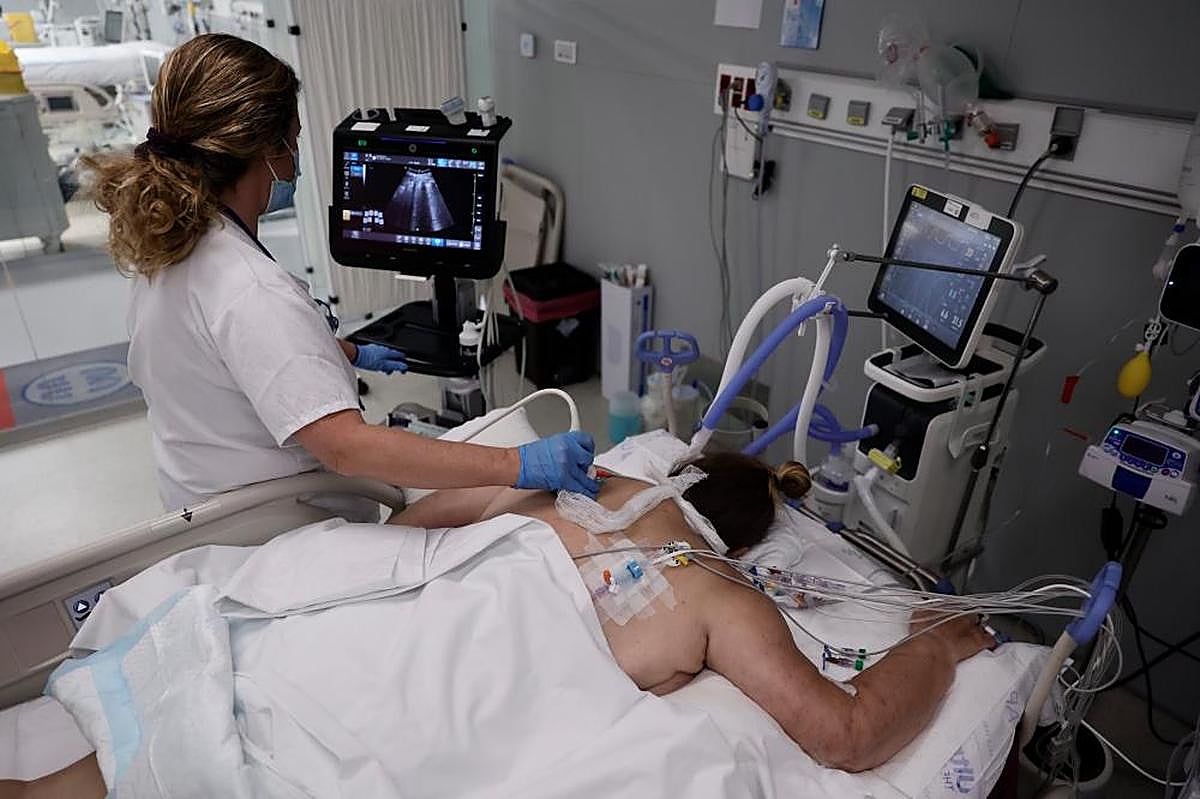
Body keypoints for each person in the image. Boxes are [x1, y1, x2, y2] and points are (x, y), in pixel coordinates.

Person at [81, 33, 596, 515]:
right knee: (508, 510)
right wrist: (520, 465)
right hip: (279, 529)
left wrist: (345, 351)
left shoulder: (169, 246)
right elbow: (348, 448)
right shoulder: (249, 289)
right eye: (294, 138)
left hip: (206, 504)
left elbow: (221, 357)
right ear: (269, 150)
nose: (298, 158)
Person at [391, 452, 997, 771]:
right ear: (744, 549)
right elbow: (849, 735)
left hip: (402, 648)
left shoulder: (572, 477)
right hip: (468, 693)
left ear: (680, 476)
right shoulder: (720, 594)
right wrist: (935, 643)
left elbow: (422, 519)